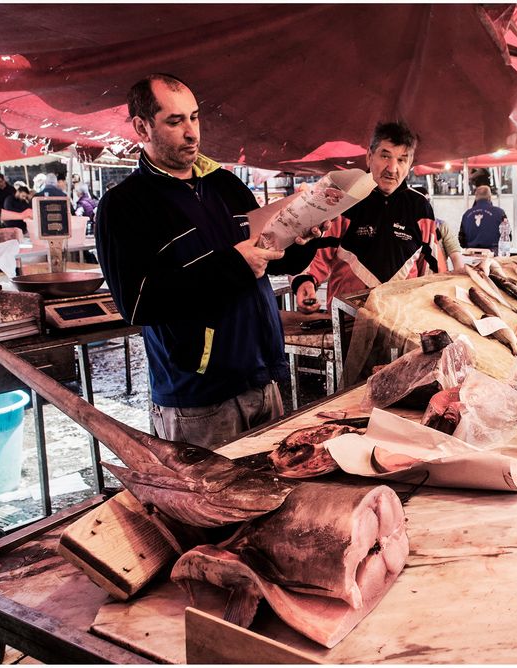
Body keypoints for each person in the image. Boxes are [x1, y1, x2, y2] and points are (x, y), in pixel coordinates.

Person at [96, 73, 328, 449]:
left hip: (263, 378)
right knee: (213, 505)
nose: (192, 133)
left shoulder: (226, 185)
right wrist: (234, 265)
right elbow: (137, 303)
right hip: (198, 398)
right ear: (142, 126)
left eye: (194, 117)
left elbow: (270, 257)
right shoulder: (123, 206)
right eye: (175, 121)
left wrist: (302, 237)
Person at [292, 121, 437, 313]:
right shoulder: (343, 199)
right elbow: (316, 253)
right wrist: (305, 281)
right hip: (349, 317)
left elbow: (431, 267)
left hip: (403, 318)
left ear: (410, 164)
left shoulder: (420, 207)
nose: (392, 169)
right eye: (385, 156)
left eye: (402, 159)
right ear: (369, 157)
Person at [459, 185, 507, 255]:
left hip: (470, 256)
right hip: (493, 256)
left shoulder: (466, 214)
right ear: (489, 197)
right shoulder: (500, 213)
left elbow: (462, 241)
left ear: (476, 197)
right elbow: (507, 236)